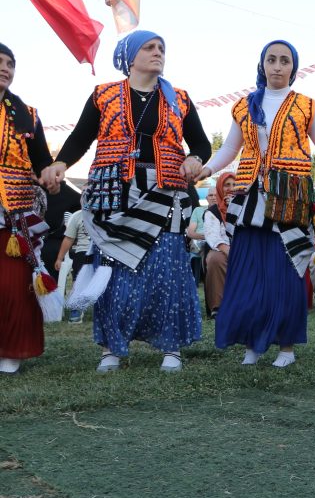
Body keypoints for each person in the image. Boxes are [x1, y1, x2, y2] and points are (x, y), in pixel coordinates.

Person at [42, 30, 210, 373]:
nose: (157, 52)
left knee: (169, 267)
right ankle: (111, 349)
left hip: (166, 192)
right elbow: (79, 138)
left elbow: (202, 145)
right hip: (115, 193)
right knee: (114, 269)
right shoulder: (103, 95)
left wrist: (195, 159)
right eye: (149, 47)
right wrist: (60, 163)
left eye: (161, 48)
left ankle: (171, 348)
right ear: (130, 57)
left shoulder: (179, 98)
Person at [196, 39, 315, 368]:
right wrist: (207, 168)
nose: (277, 66)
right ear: (262, 64)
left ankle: (286, 348)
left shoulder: (307, 105)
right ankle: (253, 343)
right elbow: (230, 149)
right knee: (248, 272)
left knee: (286, 270)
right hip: (249, 199)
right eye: (271, 60)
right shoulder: (244, 105)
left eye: (285, 61)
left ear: (294, 67)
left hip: (289, 199)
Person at [1, 42, 58, 375]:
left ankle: (11, 351)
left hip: (15, 212)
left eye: (11, 63)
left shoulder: (27, 115)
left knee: (12, 283)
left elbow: (42, 163)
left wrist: (49, 176)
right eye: (0, 61)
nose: (5, 68)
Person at [203, 173, 233, 318]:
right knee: (216, 260)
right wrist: (225, 248)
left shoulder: (244, 207)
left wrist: (234, 207)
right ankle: (218, 306)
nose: (231, 188)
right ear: (220, 187)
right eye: (227, 185)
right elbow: (211, 234)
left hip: (242, 247)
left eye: (234, 185)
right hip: (220, 249)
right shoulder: (212, 212)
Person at [55, 208, 93, 322]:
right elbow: (68, 238)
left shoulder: (109, 212)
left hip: (104, 250)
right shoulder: (77, 215)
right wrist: (59, 258)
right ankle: (76, 306)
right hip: (84, 250)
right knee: (79, 278)